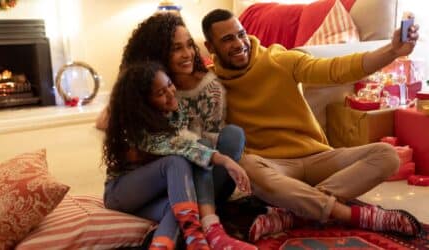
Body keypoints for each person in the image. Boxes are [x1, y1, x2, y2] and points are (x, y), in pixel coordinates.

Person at [201, 9, 422, 241]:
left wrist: (392, 51)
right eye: (227, 39)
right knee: (245, 166)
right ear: (211, 47)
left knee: (387, 155)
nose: (239, 43)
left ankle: (295, 213)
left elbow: (336, 69)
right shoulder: (210, 83)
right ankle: (352, 214)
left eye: (241, 34)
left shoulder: (279, 59)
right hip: (273, 169)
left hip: (317, 158)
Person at [102, 61, 257, 249]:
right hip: (122, 194)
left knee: (176, 207)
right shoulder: (138, 129)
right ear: (144, 103)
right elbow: (179, 147)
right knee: (176, 161)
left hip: (157, 196)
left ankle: (169, 244)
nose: (170, 93)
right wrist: (224, 160)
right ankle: (197, 237)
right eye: (160, 93)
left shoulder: (173, 113)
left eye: (169, 85)